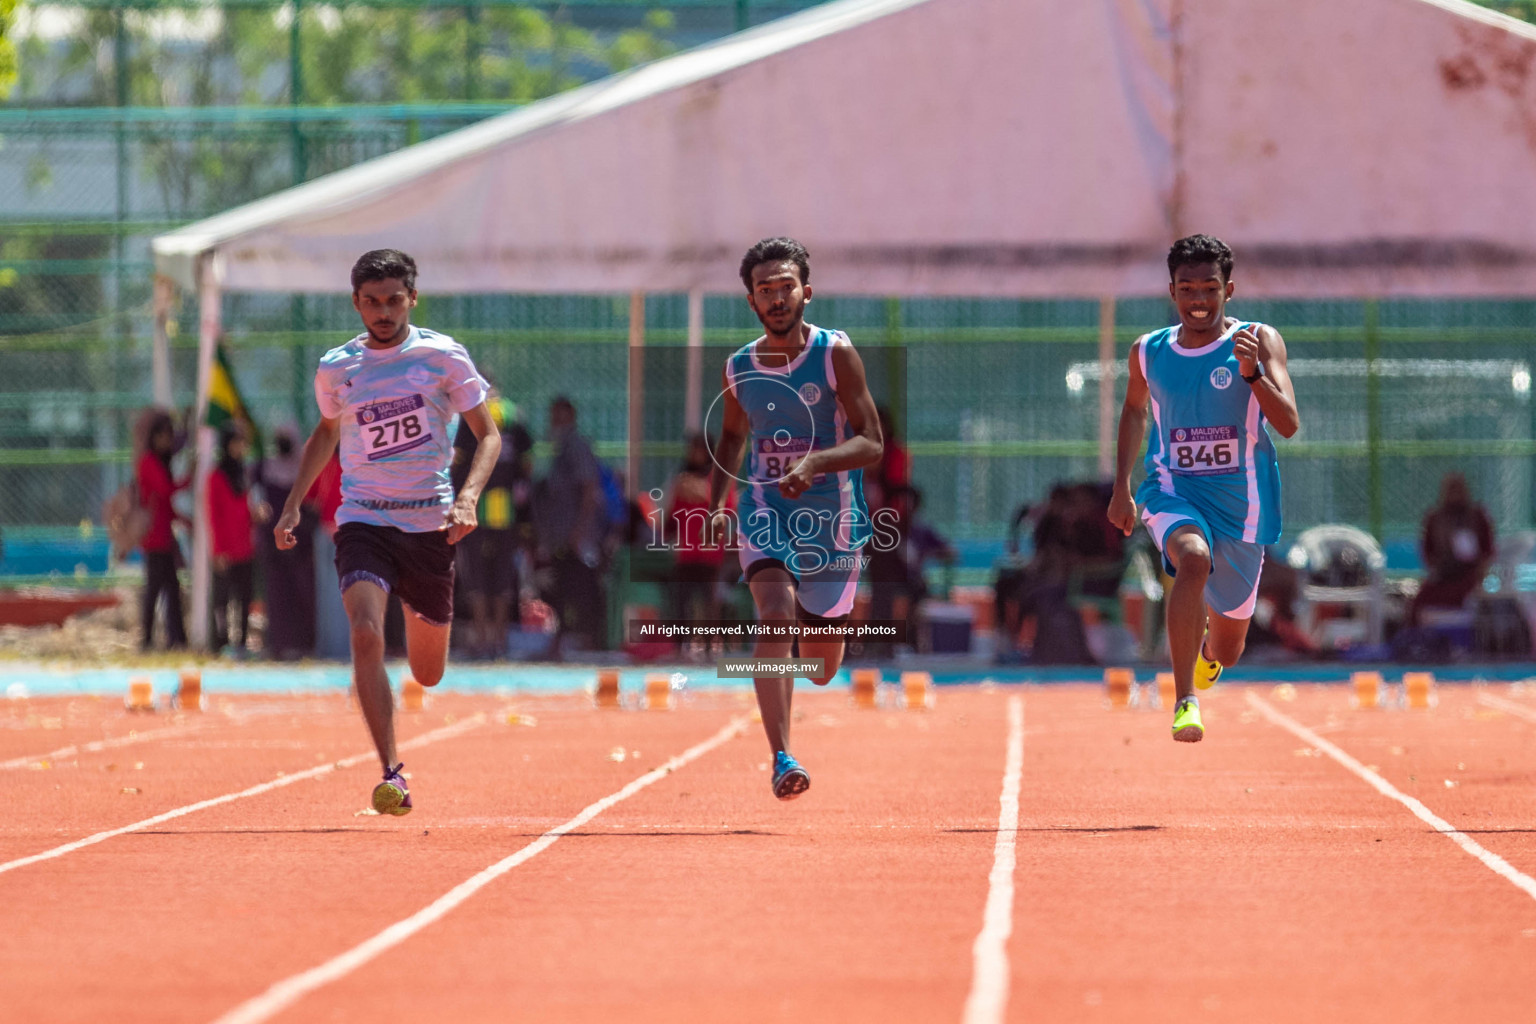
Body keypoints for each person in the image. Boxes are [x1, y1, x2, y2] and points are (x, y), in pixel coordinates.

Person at [274, 249, 500, 816]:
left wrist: (469, 496)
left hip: (430, 525)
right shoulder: (337, 368)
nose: (382, 311)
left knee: (428, 671)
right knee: (366, 633)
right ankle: (391, 773)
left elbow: (488, 436)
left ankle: (417, 627)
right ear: (355, 303)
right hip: (364, 518)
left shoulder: (443, 357)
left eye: (393, 300)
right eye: (371, 302)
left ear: (412, 299)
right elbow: (326, 434)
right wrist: (292, 504)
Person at [708, 237, 883, 799]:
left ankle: (816, 637)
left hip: (834, 519)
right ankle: (782, 756)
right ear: (752, 301)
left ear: (806, 290)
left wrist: (817, 463)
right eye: (765, 290)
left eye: (786, 286)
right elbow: (733, 435)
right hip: (766, 510)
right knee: (775, 614)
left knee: (820, 669)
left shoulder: (835, 355)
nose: (777, 298)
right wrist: (716, 505)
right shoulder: (738, 367)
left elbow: (872, 441)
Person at [1108, 234, 1300, 742]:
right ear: (1171, 291)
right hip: (1173, 489)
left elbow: (1289, 423)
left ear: (1228, 290)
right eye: (1187, 288)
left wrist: (1253, 374)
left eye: (1209, 288)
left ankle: (1210, 655)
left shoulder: (1259, 340)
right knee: (1192, 558)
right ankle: (1184, 700)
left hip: (1243, 508)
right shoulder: (1147, 351)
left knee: (1232, 648)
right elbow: (1133, 409)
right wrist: (1121, 486)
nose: (1198, 300)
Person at [451, 388, 534, 659]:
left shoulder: (471, 413)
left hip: (475, 506)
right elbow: (527, 460)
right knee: (502, 575)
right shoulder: (514, 413)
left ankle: (482, 638)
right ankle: (499, 640)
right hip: (506, 509)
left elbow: (459, 458)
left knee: (476, 574)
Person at [534, 396, 606, 654]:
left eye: (560, 416)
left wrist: (579, 531)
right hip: (560, 536)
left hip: (575, 537)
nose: (555, 422)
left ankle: (590, 641)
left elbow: (589, 489)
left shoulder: (576, 445)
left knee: (582, 588)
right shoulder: (557, 449)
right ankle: (560, 642)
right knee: (560, 588)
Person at [253, 428, 318, 659]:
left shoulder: (304, 470)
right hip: (273, 544)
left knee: (303, 592)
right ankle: (279, 645)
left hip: (300, 545)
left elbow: (312, 504)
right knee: (277, 593)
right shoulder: (263, 469)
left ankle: (305, 644)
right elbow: (254, 499)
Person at [1410, 473, 1495, 625]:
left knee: (1467, 599)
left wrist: (1479, 573)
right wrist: (1438, 569)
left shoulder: (1477, 516)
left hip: (1469, 576)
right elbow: (1428, 551)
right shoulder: (1435, 518)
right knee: (1420, 602)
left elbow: (1488, 550)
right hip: (1444, 576)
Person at [136, 410, 190, 650]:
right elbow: (165, 491)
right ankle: (147, 639)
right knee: (154, 591)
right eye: (164, 436)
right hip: (153, 538)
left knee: (171, 589)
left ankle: (176, 638)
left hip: (165, 537)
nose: (168, 442)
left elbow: (165, 504)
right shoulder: (148, 462)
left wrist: (182, 519)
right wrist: (190, 478)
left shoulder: (159, 461)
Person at [208, 426, 256, 655]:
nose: (241, 448)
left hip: (245, 546)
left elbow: (246, 510)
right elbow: (214, 516)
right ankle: (221, 641)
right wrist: (218, 551)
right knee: (222, 599)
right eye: (237, 443)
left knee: (244, 598)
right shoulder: (216, 477)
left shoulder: (244, 475)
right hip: (226, 549)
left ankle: (243, 642)